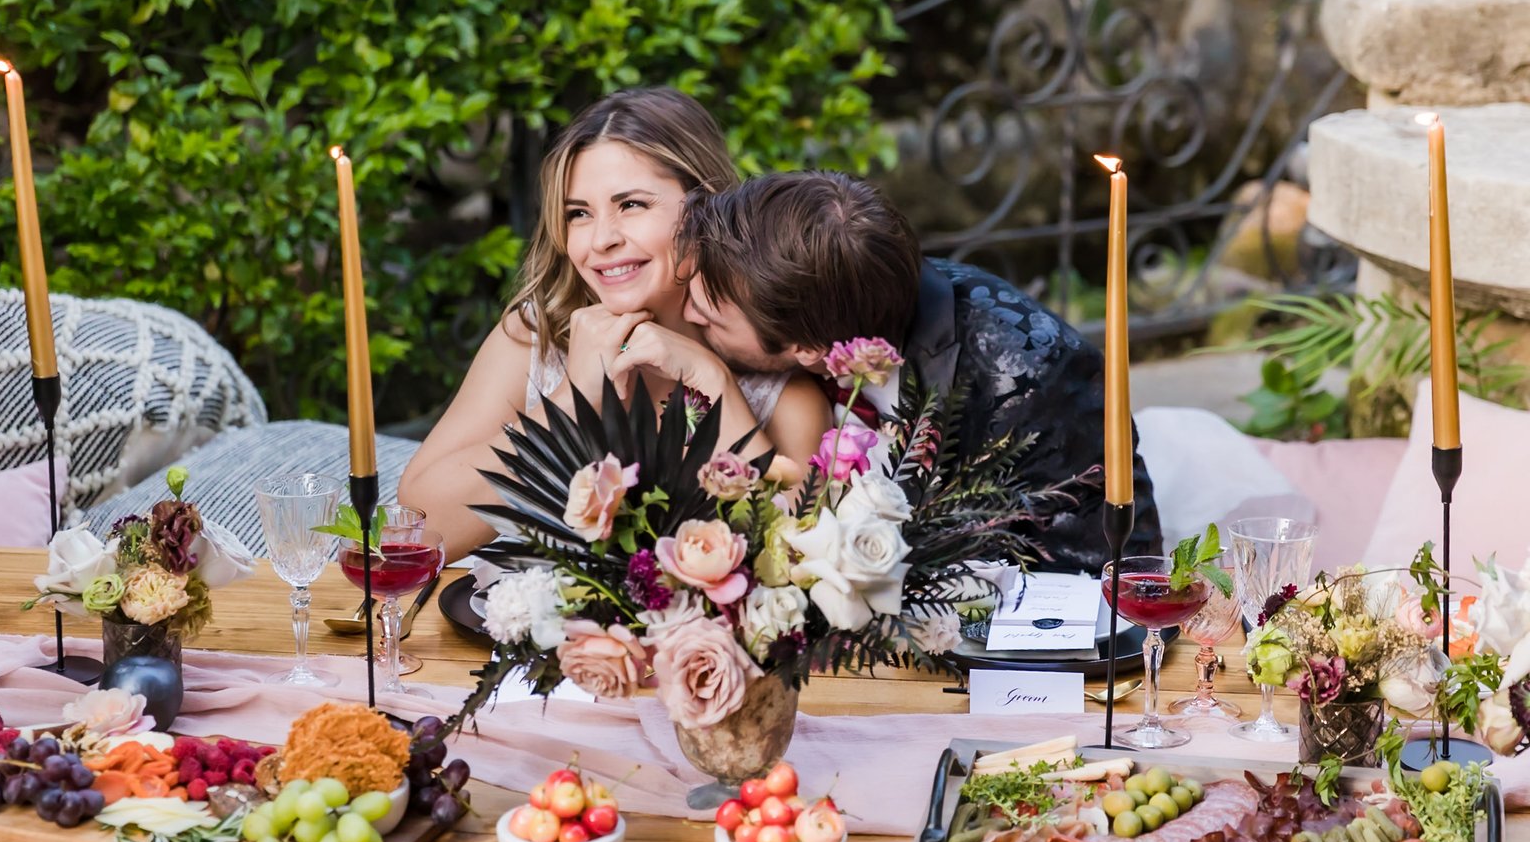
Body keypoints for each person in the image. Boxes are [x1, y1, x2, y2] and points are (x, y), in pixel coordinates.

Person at [399, 89, 831, 557]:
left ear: (704, 204)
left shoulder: (778, 391)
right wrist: (572, 401)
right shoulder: (535, 339)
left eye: (631, 205)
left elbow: (791, 564)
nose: (601, 239)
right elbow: (418, 534)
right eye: (578, 214)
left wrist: (717, 384)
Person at [672, 169, 1163, 573]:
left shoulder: (1034, 376)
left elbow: (1115, 574)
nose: (687, 316)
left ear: (808, 348)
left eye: (709, 316)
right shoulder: (826, 285)